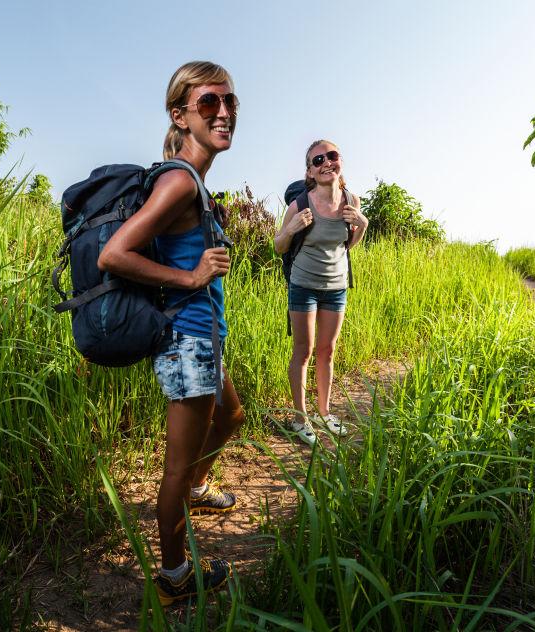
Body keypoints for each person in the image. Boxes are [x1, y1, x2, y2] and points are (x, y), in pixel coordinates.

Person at [97, 61, 243, 606]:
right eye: (210, 103)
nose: (224, 112)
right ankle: (175, 576)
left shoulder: (194, 184)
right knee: (175, 468)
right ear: (180, 115)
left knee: (232, 415)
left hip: (206, 336)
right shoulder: (180, 179)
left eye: (230, 103)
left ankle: (197, 493)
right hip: (187, 340)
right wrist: (190, 276)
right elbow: (115, 255)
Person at [274, 140, 369, 445]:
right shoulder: (300, 204)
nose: (327, 162)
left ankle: (325, 413)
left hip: (337, 287)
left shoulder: (351, 200)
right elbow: (278, 246)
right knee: (304, 352)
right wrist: (290, 229)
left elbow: (347, 245)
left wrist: (363, 226)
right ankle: (301, 420)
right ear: (310, 172)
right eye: (318, 160)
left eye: (332, 156)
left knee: (327, 351)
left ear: (340, 161)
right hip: (303, 285)